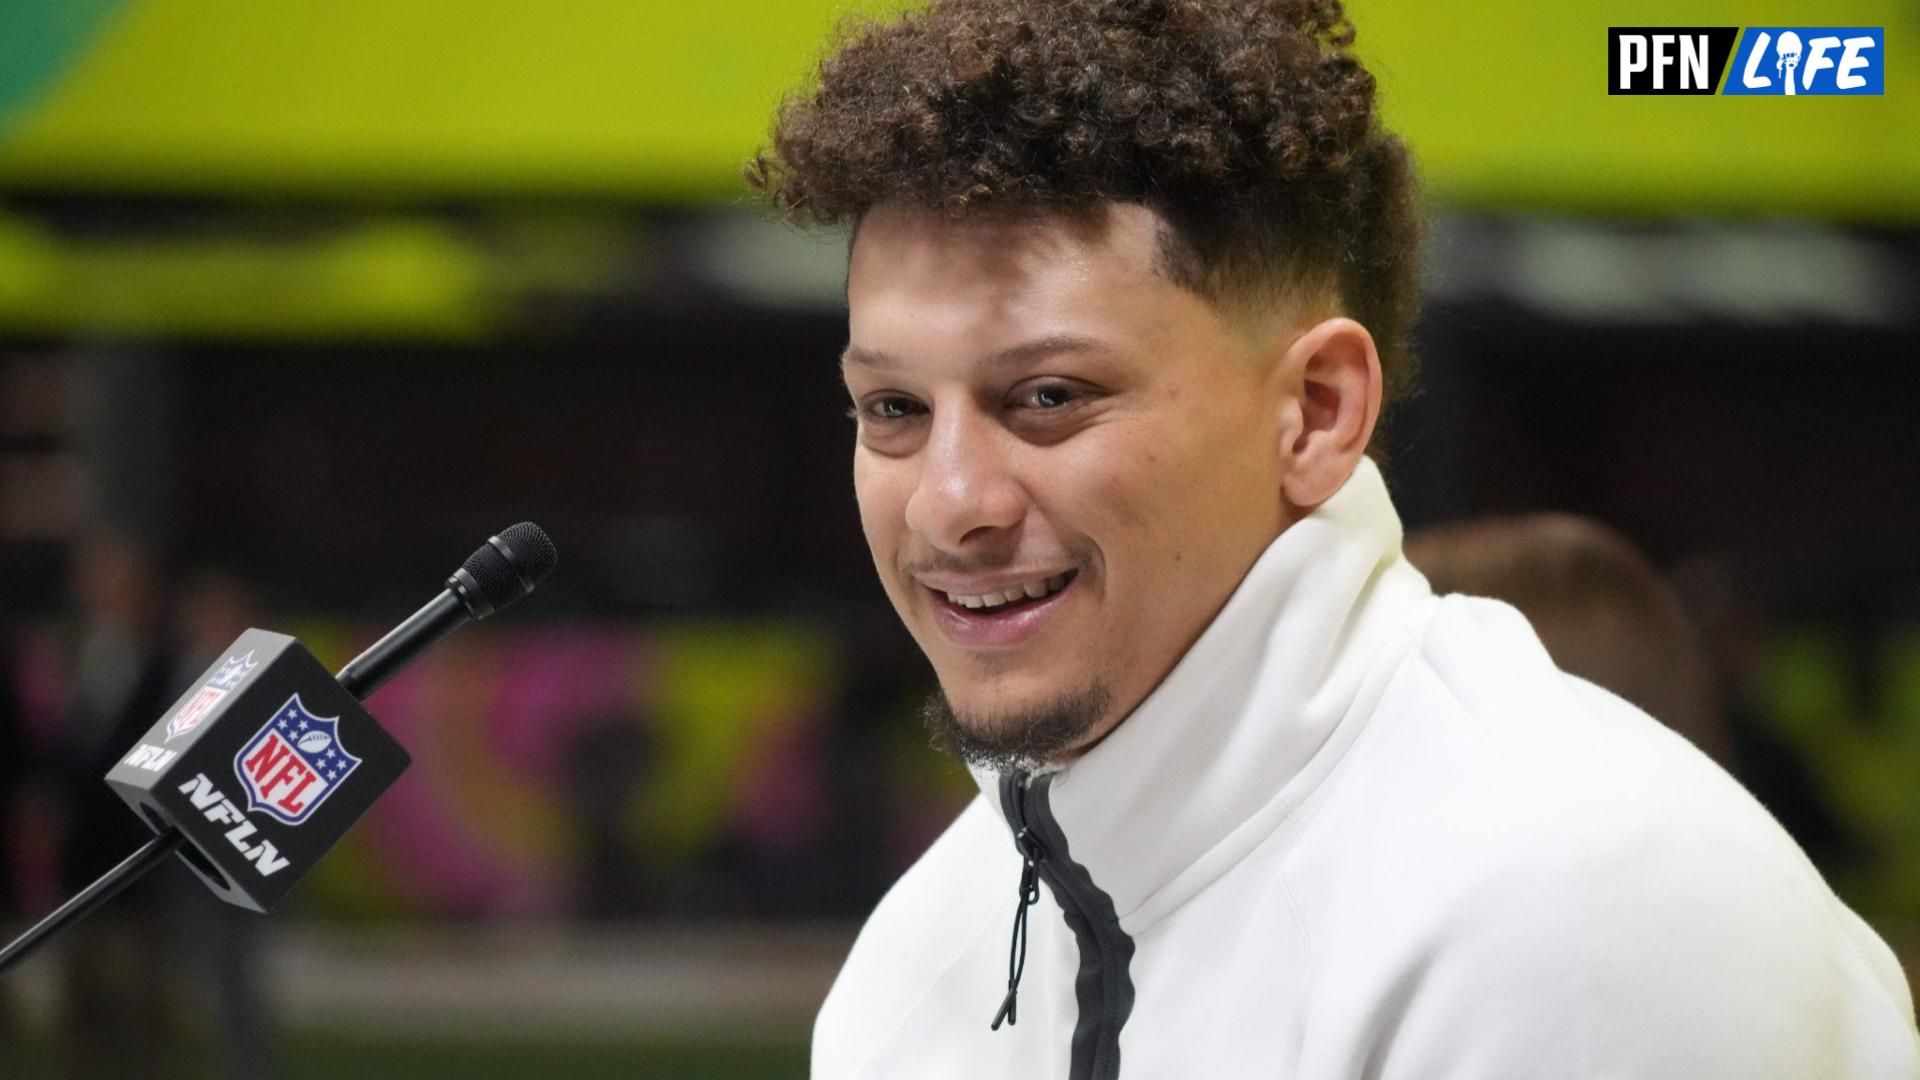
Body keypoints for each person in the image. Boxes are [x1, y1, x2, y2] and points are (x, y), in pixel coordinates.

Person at [748, 1, 1920, 1076]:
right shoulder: (910, 981)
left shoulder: (1581, 905)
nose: (951, 501)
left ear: (1315, 412)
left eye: (1049, 396)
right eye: (893, 410)